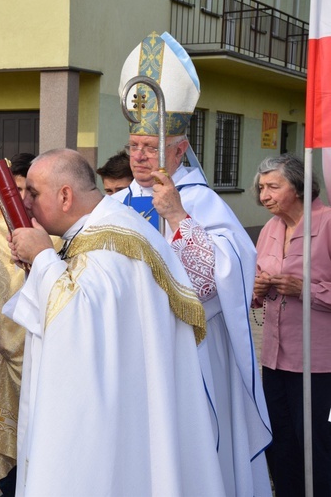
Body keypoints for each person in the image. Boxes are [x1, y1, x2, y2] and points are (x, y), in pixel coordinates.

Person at [3, 148, 224, 496]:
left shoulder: (110, 242)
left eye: (33, 192)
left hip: (110, 419)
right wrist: (41, 263)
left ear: (65, 196)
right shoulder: (106, 229)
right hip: (125, 401)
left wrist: (44, 258)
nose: (26, 203)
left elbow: (76, 322)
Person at [114, 31, 272, 496]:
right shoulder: (119, 202)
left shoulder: (201, 201)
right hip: (138, 348)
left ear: (179, 150)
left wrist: (178, 218)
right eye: (134, 146)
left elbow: (222, 279)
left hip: (195, 351)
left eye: (150, 147)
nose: (139, 157)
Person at [0, 153, 50, 497]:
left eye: (22, 191)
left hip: (49, 349)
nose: (15, 201)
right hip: (8, 354)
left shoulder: (50, 226)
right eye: (9, 192)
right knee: (11, 451)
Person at [252, 153, 331, 497]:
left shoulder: (327, 223)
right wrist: (256, 290)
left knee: (319, 446)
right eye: (260, 188)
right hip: (274, 359)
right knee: (280, 443)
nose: (263, 195)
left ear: (298, 187)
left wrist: (306, 290)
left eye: (273, 186)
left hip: (319, 363)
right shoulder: (270, 229)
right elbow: (256, 282)